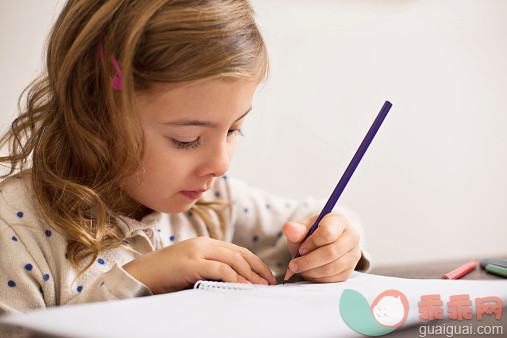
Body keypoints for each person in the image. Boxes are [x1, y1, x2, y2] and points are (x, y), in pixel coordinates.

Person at [0, 0, 370, 315]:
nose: (221, 164)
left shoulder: (215, 199)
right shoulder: (16, 231)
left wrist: (333, 244)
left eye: (233, 130)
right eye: (187, 139)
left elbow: (312, 220)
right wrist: (139, 282)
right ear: (93, 111)